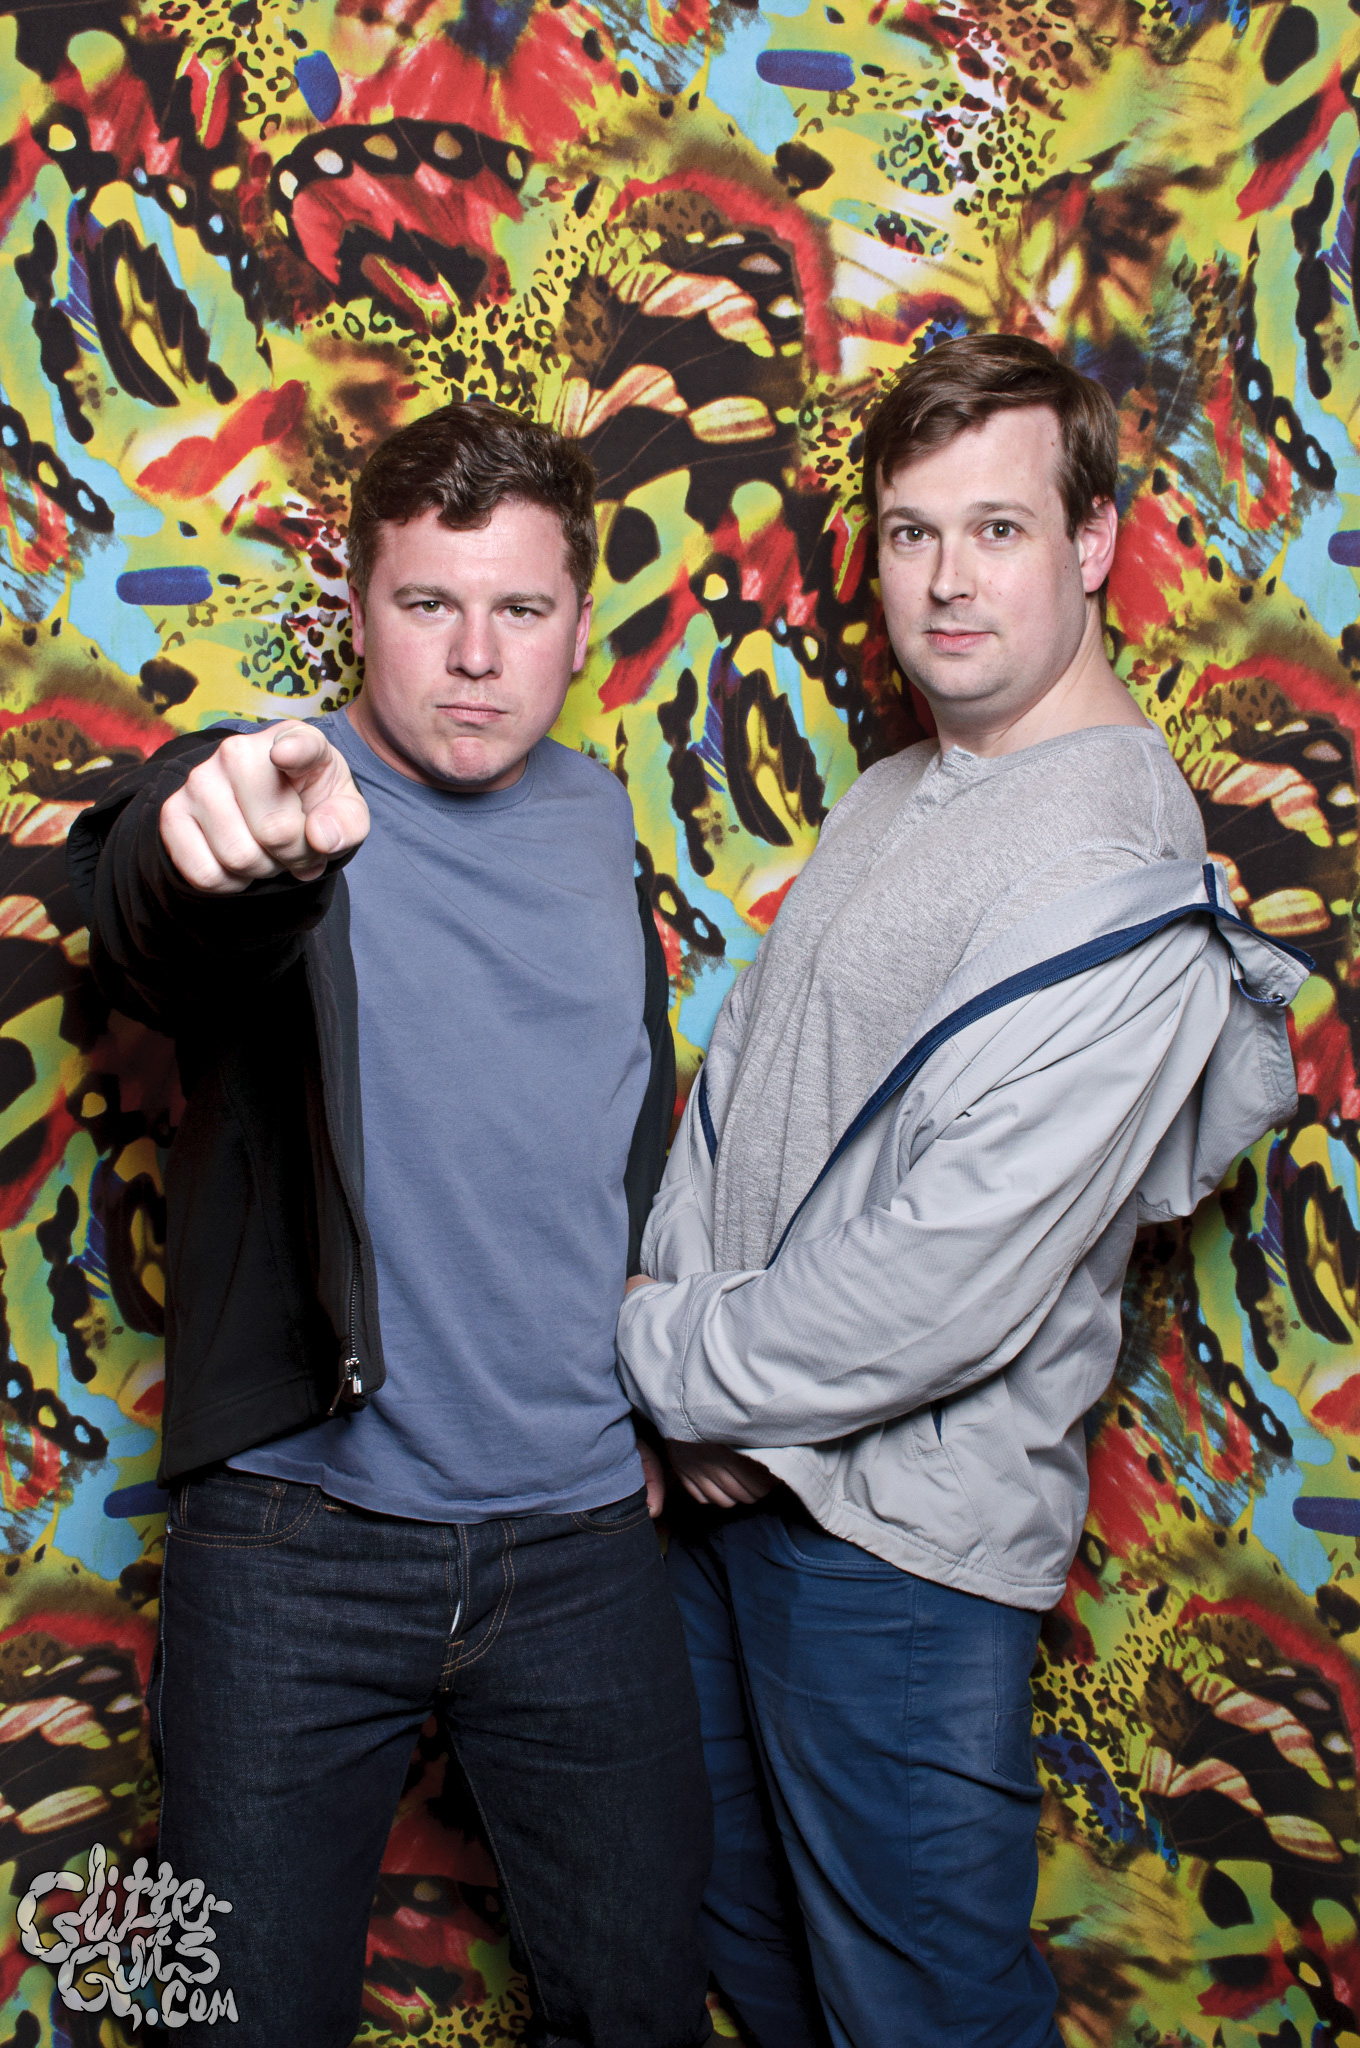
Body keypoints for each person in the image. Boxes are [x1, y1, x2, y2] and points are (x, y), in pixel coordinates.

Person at [615, 334, 1309, 2048]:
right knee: (757, 1963)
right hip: (732, 1497)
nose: (944, 580)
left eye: (997, 530)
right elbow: (740, 1097)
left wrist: (670, 1366)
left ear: (1093, 541)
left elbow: (952, 1271)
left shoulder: (1119, 870)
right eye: (912, 532)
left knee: (919, 2010)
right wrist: (686, 1369)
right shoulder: (899, 788)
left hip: (895, 1560)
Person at [68, 401, 715, 2048]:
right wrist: (206, 847)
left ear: (582, 622)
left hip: (579, 1546)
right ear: (357, 608)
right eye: (429, 603)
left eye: (521, 608)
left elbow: (617, 1117)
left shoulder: (599, 822)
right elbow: (150, 905)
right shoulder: (288, 798)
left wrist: (653, 1375)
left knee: (641, 2010)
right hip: (298, 1546)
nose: (476, 657)